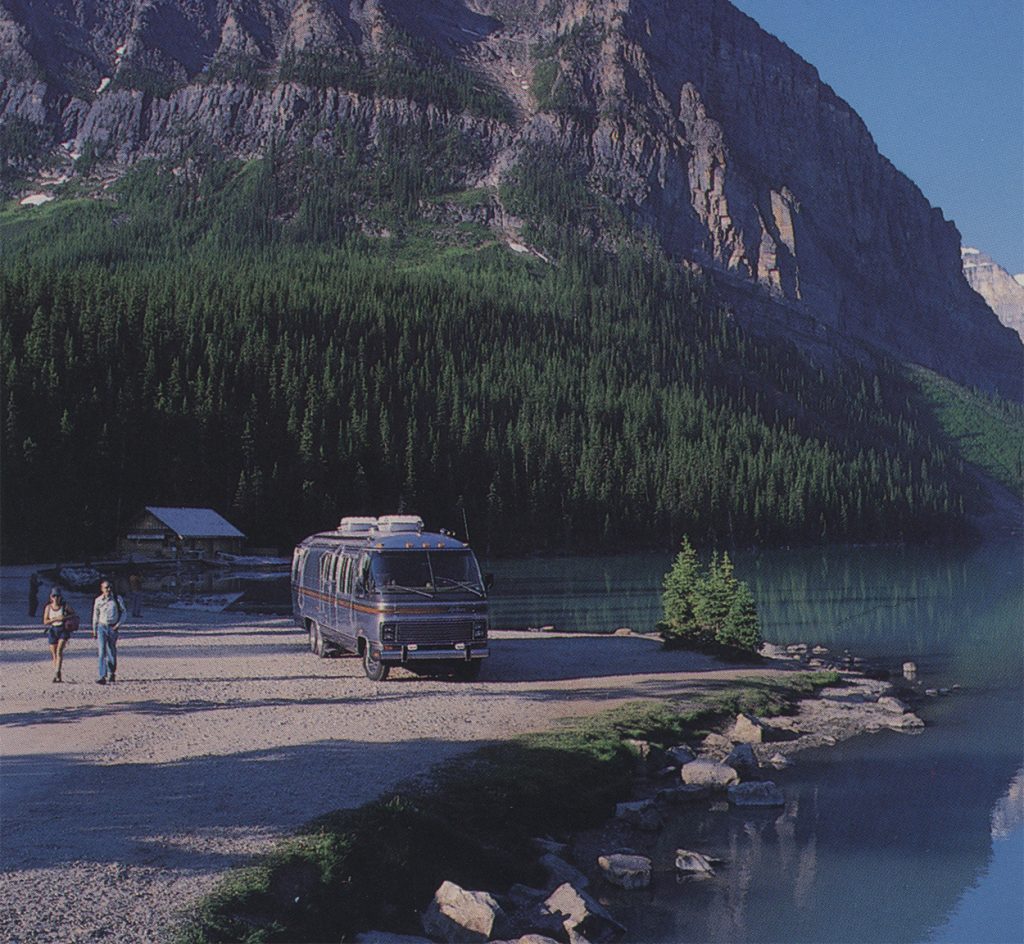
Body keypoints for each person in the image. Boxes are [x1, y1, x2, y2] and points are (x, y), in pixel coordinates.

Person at [92, 579, 126, 685]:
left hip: (112, 627)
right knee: (101, 651)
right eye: (106, 587)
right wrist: (94, 629)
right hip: (101, 626)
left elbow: (124, 612)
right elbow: (95, 615)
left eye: (110, 587)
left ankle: (111, 673)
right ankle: (102, 675)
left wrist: (118, 625)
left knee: (111, 650)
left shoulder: (117, 599)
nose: (108, 589)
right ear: (102, 589)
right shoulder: (98, 600)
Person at [42, 587, 76, 683]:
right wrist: (55, 619)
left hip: (63, 630)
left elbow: (74, 614)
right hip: (53, 630)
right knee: (54, 654)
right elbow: (45, 621)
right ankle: (56, 673)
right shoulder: (48, 607)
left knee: (59, 651)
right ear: (51, 597)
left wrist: (64, 617)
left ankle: (58, 671)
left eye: (57, 596)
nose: (56, 598)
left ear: (60, 597)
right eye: (54, 596)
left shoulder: (65, 606)